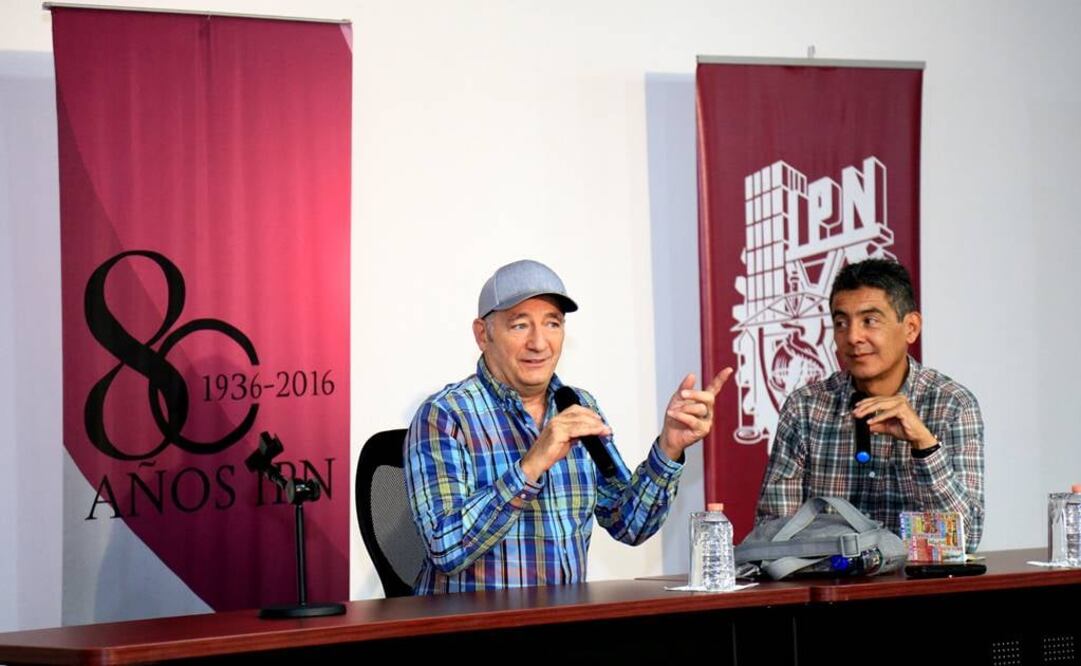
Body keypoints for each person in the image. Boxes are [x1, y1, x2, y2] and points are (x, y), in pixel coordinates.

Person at [405, 259, 732, 593]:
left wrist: (669, 447)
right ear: (482, 334)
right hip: (474, 632)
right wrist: (531, 466)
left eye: (552, 324)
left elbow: (630, 524)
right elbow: (445, 548)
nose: (539, 343)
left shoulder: (577, 406)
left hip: (562, 629)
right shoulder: (444, 415)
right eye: (520, 326)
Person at [755, 258, 984, 550]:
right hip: (832, 586)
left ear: (911, 327)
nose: (852, 337)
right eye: (841, 323)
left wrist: (924, 445)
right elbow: (773, 535)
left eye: (870, 321)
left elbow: (968, 539)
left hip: (917, 591)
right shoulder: (806, 408)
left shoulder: (951, 405)